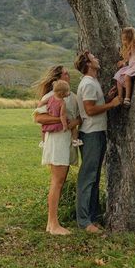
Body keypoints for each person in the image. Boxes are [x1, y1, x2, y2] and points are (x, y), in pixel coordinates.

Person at [75, 50, 121, 233]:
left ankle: (92, 218)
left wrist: (107, 98)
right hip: (91, 133)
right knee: (87, 178)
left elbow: (94, 105)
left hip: (98, 132)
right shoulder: (87, 83)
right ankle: (84, 222)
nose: (98, 58)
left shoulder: (93, 82)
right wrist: (112, 104)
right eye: (94, 57)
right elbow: (90, 110)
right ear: (87, 63)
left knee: (94, 177)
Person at [34, 65, 81, 235]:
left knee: (60, 180)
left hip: (66, 141)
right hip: (56, 142)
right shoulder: (51, 96)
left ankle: (51, 223)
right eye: (66, 73)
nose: (69, 75)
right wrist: (60, 119)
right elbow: (38, 117)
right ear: (58, 78)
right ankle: (53, 224)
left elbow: (77, 118)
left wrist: (71, 123)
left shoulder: (72, 96)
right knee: (57, 181)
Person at [41, 79, 83, 147]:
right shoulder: (62, 102)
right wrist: (65, 125)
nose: (69, 93)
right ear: (62, 93)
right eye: (67, 91)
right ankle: (75, 140)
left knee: (43, 129)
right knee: (74, 128)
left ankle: (43, 141)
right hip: (59, 123)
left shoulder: (51, 97)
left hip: (51, 122)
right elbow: (62, 115)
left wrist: (40, 105)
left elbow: (43, 102)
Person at [113, 26, 135, 107]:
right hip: (131, 66)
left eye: (125, 39)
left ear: (131, 38)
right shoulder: (128, 48)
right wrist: (123, 63)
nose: (123, 42)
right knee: (118, 78)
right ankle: (120, 97)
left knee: (127, 76)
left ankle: (127, 98)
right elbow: (128, 60)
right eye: (122, 39)